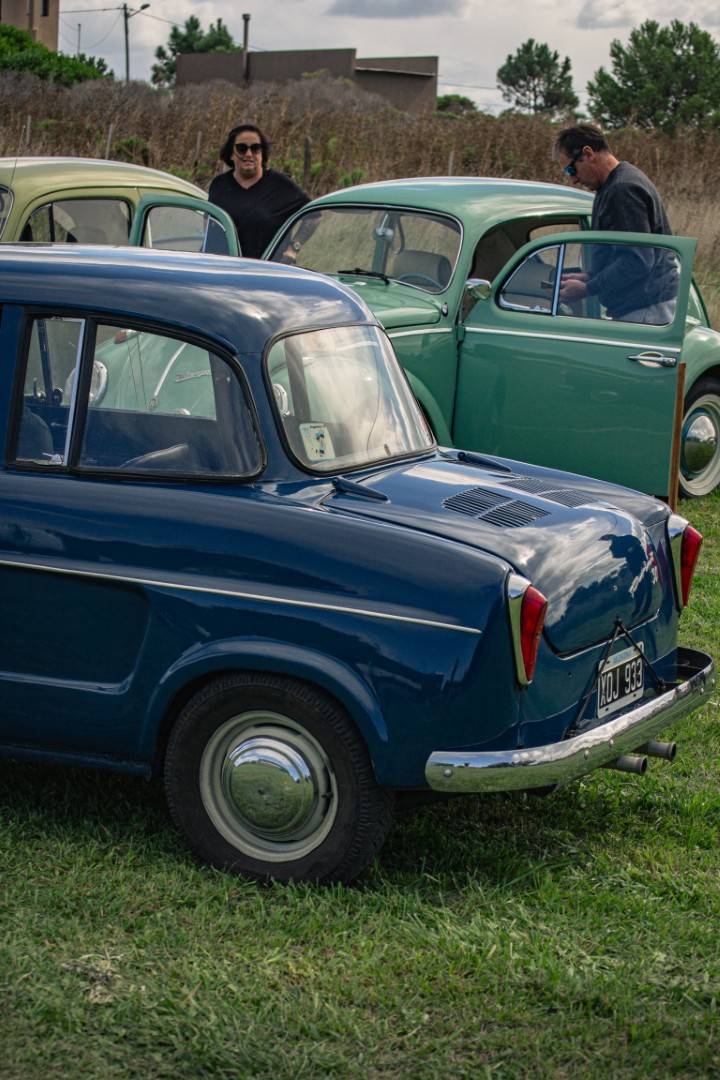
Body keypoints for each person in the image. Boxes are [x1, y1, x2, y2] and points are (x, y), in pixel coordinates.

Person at [553, 123, 678, 324]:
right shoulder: (615, 184)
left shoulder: (622, 189)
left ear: (588, 153)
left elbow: (638, 260)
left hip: (646, 309)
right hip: (643, 306)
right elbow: (622, 251)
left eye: (571, 169)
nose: (573, 179)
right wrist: (589, 276)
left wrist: (588, 289)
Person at [208, 124, 310, 259]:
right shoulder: (218, 184)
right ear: (231, 154)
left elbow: (314, 215)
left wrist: (293, 248)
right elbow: (208, 225)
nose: (248, 154)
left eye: (255, 148)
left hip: (264, 268)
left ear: (262, 154)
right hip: (221, 266)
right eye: (241, 148)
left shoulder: (281, 185)